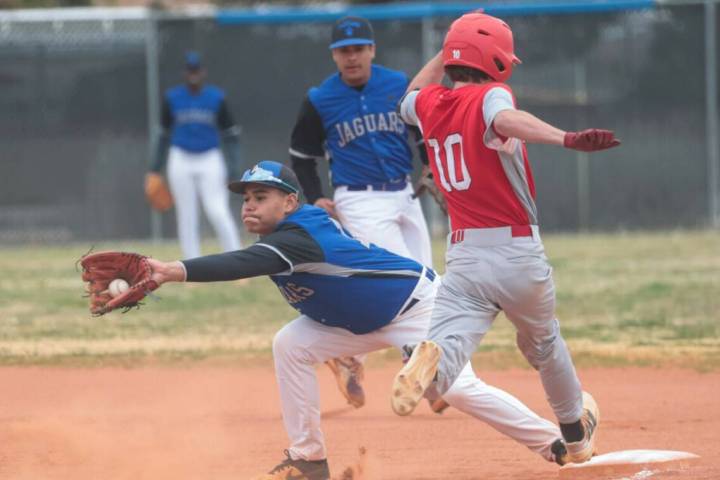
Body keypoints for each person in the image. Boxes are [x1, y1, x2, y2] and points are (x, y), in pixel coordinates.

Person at [143, 160, 571, 480]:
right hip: (353, 321)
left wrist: (171, 270)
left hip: (415, 307)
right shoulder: (285, 234)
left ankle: (554, 443)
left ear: (290, 202)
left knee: (455, 389)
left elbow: (239, 263)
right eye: (247, 198)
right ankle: (308, 459)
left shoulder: (298, 237)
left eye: (262, 197)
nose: (249, 206)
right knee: (290, 345)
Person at [392, 12, 621, 465]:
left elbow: (410, 94)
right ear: (496, 60)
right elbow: (507, 119)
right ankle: (576, 436)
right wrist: (566, 138)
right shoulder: (491, 95)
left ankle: (429, 363)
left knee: (448, 361)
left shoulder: (430, 105)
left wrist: (449, 48)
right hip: (516, 254)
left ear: (454, 59)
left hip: (465, 259)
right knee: (543, 342)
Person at [288, 16, 442, 411]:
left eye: (358, 48)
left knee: (426, 278)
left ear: (372, 50)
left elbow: (421, 130)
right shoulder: (320, 98)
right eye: (344, 50)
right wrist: (317, 196)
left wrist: (429, 165)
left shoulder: (396, 85)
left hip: (405, 194)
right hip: (358, 198)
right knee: (404, 283)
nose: (351, 57)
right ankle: (427, 380)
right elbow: (302, 157)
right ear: (334, 55)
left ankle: (348, 357)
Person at [147, 51, 242, 259]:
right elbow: (162, 134)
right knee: (187, 215)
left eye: (196, 70)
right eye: (190, 71)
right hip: (180, 157)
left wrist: (234, 168)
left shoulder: (216, 97)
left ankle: (236, 260)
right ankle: (191, 265)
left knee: (217, 209)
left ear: (203, 72)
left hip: (210, 157)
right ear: (184, 72)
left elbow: (231, 135)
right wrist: (154, 169)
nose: (193, 74)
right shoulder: (172, 98)